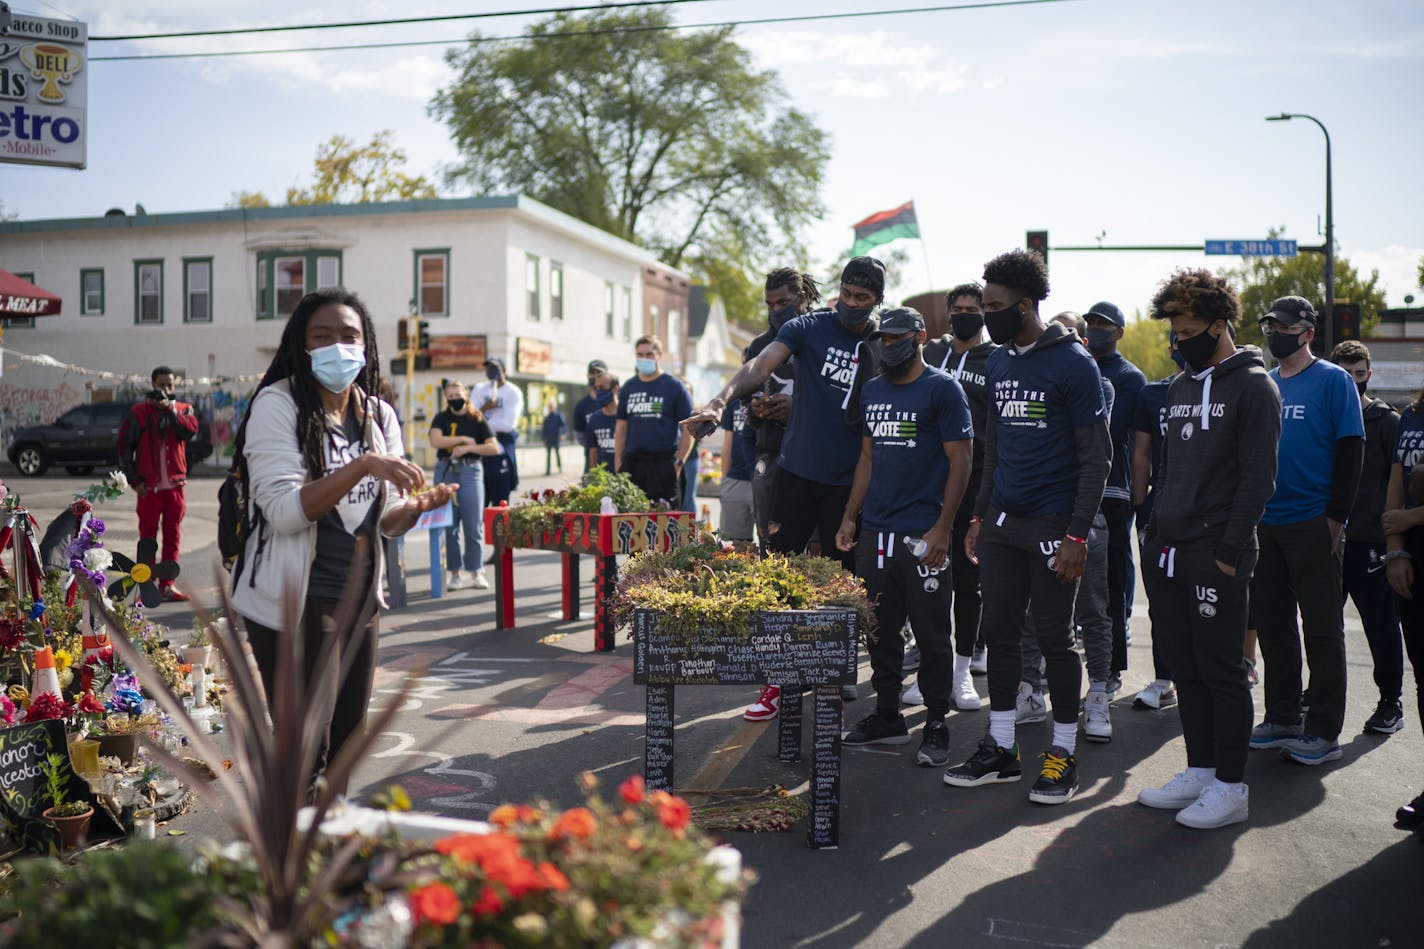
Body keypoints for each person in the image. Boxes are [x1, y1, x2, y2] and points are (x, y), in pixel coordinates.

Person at [228, 289, 455, 796]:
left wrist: (413, 509)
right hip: (293, 604)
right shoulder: (278, 404)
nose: (337, 347)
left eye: (349, 336)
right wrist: (363, 465)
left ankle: (329, 861)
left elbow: (387, 520)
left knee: (348, 746)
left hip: (358, 602)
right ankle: (289, 864)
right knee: (306, 750)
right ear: (301, 346)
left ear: (367, 345)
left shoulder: (378, 415)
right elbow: (285, 513)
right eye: (321, 336)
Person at [942, 248, 1109, 806]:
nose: (987, 315)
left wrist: (1078, 534)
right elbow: (994, 451)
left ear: (1028, 303)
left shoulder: (1074, 364)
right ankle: (1003, 748)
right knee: (1002, 637)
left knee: (1057, 642)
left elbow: (1097, 458)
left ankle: (1063, 753)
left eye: (995, 306)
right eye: (984, 306)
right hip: (1002, 524)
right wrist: (980, 514)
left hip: (1054, 525)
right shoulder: (1000, 362)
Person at [684, 258, 885, 720]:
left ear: (876, 299)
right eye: (847, 294)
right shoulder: (810, 328)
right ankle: (775, 682)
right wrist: (719, 400)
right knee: (778, 581)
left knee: (840, 587)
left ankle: (835, 677)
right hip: (794, 475)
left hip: (847, 485)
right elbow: (760, 363)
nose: (852, 305)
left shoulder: (881, 344)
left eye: (863, 298)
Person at [1135, 268, 1280, 829]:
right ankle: (1200, 770)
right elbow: (1170, 469)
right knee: (1186, 668)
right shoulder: (1178, 386)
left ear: (1219, 325)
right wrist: (1153, 534)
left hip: (1215, 553)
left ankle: (1231, 786)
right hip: (1167, 548)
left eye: (1188, 329)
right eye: (1174, 329)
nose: (1178, 340)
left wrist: (1228, 550)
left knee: (1222, 671)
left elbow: (1258, 478)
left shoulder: (1254, 386)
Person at [835, 307, 973, 766]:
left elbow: (962, 462)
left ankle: (935, 722)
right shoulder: (872, 390)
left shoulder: (942, 389)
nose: (888, 346)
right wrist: (851, 517)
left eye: (896, 338)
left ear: (919, 337)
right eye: (883, 339)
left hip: (923, 534)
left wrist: (942, 529)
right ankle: (889, 715)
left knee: (933, 635)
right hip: (877, 533)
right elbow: (868, 459)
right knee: (880, 630)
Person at [1248, 296, 1364, 765]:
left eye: (1283, 325)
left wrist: (1335, 518)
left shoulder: (1334, 380)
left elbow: (1352, 451)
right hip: (1267, 524)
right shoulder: (1267, 384)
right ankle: (1281, 717)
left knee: (1321, 629)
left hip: (1314, 522)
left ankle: (1323, 730)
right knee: (1275, 626)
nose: (1274, 332)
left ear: (1307, 332)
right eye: (1270, 324)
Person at [1015, 311, 1116, 743]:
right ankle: (1030, 692)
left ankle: (1097, 697)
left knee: (1092, 609)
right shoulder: (1025, 376)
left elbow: (1083, 452)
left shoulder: (1098, 382)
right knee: (1034, 613)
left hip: (1083, 515)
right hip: (1038, 515)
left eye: (1074, 332)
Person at [922, 282, 996, 704]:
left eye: (974, 308)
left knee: (969, 581)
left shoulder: (996, 359)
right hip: (927, 481)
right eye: (959, 308)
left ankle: (962, 670)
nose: (966, 314)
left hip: (975, 481)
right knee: (927, 576)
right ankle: (932, 668)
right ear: (948, 312)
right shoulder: (931, 354)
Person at [1330, 341, 1406, 734]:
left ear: (1369, 376)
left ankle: (1391, 702)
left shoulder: (1385, 421)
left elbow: (1399, 482)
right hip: (1329, 542)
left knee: (1380, 626)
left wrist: (1394, 543)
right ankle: (1320, 699)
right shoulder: (1323, 419)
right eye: (1345, 375)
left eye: (1359, 375)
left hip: (1371, 545)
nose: (1353, 382)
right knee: (1324, 628)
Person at [1084, 300, 1147, 693]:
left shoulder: (1129, 378)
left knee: (1111, 582)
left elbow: (1111, 427)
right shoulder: (1079, 365)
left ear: (1119, 332)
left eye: (1103, 325)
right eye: (1091, 323)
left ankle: (1111, 672)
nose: (1095, 329)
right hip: (1075, 488)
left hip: (1113, 489)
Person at [746, 268, 819, 554]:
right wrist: (757, 408)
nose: (775, 310)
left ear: (800, 299)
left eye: (782, 303)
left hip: (814, 458)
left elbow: (839, 402)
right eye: (770, 304)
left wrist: (796, 409)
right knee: (771, 546)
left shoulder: (820, 338)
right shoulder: (759, 346)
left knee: (816, 551)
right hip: (770, 454)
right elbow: (747, 413)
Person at [1131, 333, 1186, 710]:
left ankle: (1207, 678)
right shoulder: (1153, 393)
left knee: (1202, 602)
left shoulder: (1227, 390)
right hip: (1158, 513)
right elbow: (1141, 456)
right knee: (1162, 602)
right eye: (1179, 339)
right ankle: (1164, 679)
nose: (1185, 345)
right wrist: (1140, 508)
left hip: (1206, 516)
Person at [118, 365, 201, 602]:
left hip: (175, 487)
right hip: (149, 488)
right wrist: (134, 481)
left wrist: (171, 411)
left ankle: (167, 584)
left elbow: (189, 431)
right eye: (161, 384)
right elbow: (124, 447)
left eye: (170, 385)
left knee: (173, 535)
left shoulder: (183, 409)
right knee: (147, 538)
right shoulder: (139, 412)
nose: (166, 389)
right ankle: (147, 585)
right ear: (153, 384)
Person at [1382, 378, 1424, 827]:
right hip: (1413, 556)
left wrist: (1412, 516)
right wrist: (1396, 545)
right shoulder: (1410, 416)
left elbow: (1405, 505)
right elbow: (1395, 483)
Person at [429, 379, 501, 591]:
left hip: (471, 471)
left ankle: (476, 571)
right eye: (450, 396)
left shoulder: (477, 418)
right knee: (450, 526)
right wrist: (461, 439)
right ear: (446, 398)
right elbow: (435, 441)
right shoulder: (441, 418)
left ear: (466, 394)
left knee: (473, 524)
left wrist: (469, 448)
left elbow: (493, 448)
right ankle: (454, 573)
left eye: (457, 395)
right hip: (447, 471)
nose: (455, 400)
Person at [615, 336, 694, 507]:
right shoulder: (628, 387)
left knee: (666, 524)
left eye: (649, 354)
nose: (644, 358)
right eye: (640, 354)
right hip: (633, 464)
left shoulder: (675, 387)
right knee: (631, 521)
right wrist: (618, 463)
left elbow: (690, 428)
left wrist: (678, 465)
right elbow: (621, 427)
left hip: (664, 465)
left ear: (659, 355)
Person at [471, 356, 523, 506]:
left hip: (501, 451)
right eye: (488, 368)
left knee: (500, 504)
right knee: (480, 503)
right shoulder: (480, 389)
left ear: (504, 370)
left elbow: (508, 424)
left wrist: (483, 424)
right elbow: (470, 418)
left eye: (495, 368)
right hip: (481, 452)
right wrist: (485, 408)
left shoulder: (513, 392)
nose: (491, 371)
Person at [718, 397, 757, 545]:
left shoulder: (774, 394)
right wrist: (725, 479)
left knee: (773, 543)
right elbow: (727, 444)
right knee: (735, 544)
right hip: (736, 479)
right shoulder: (733, 403)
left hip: (765, 479)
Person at [572, 360, 608, 472]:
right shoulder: (581, 406)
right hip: (591, 464)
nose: (595, 377)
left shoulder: (617, 402)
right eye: (592, 373)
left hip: (615, 463)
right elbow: (580, 437)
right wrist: (593, 445)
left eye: (599, 373)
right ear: (587, 375)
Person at [584, 373, 619, 471]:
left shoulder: (627, 416)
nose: (598, 391)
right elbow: (593, 453)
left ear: (615, 389)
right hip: (603, 479)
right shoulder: (594, 419)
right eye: (596, 388)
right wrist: (593, 478)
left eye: (602, 388)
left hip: (625, 481)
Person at [542, 401, 568, 475]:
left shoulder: (559, 415)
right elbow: (544, 428)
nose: (551, 409)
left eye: (552, 407)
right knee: (548, 455)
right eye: (549, 407)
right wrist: (543, 438)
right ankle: (548, 470)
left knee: (557, 453)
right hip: (549, 439)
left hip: (556, 438)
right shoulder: (547, 417)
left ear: (555, 407)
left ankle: (560, 468)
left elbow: (563, 425)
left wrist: (563, 434)